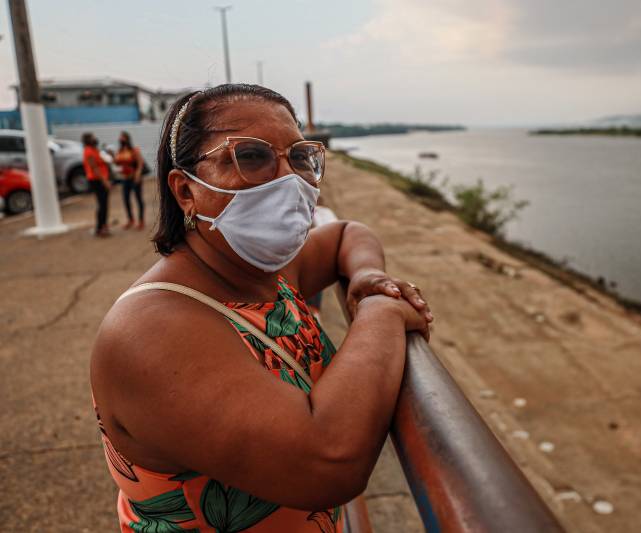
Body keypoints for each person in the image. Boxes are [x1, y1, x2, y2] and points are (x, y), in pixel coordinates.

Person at [90, 84, 433, 532]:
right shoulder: (150, 330)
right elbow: (324, 464)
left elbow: (350, 233)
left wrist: (367, 276)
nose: (289, 179)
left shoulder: (264, 274)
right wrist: (382, 312)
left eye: (300, 158)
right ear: (186, 191)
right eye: (251, 157)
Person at [114, 131, 145, 230]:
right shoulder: (120, 151)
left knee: (138, 199)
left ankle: (141, 220)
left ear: (127, 139)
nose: (121, 139)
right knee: (126, 199)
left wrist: (138, 175)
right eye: (120, 138)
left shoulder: (134, 150)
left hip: (134, 177)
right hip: (125, 179)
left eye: (123, 137)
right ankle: (130, 220)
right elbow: (117, 163)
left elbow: (140, 163)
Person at [82, 132, 111, 237]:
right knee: (102, 204)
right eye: (92, 137)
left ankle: (104, 225)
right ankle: (100, 228)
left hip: (101, 179)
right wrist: (105, 181)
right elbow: (94, 168)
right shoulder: (88, 151)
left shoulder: (95, 150)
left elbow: (103, 162)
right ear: (88, 140)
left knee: (104, 204)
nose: (95, 138)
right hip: (97, 180)